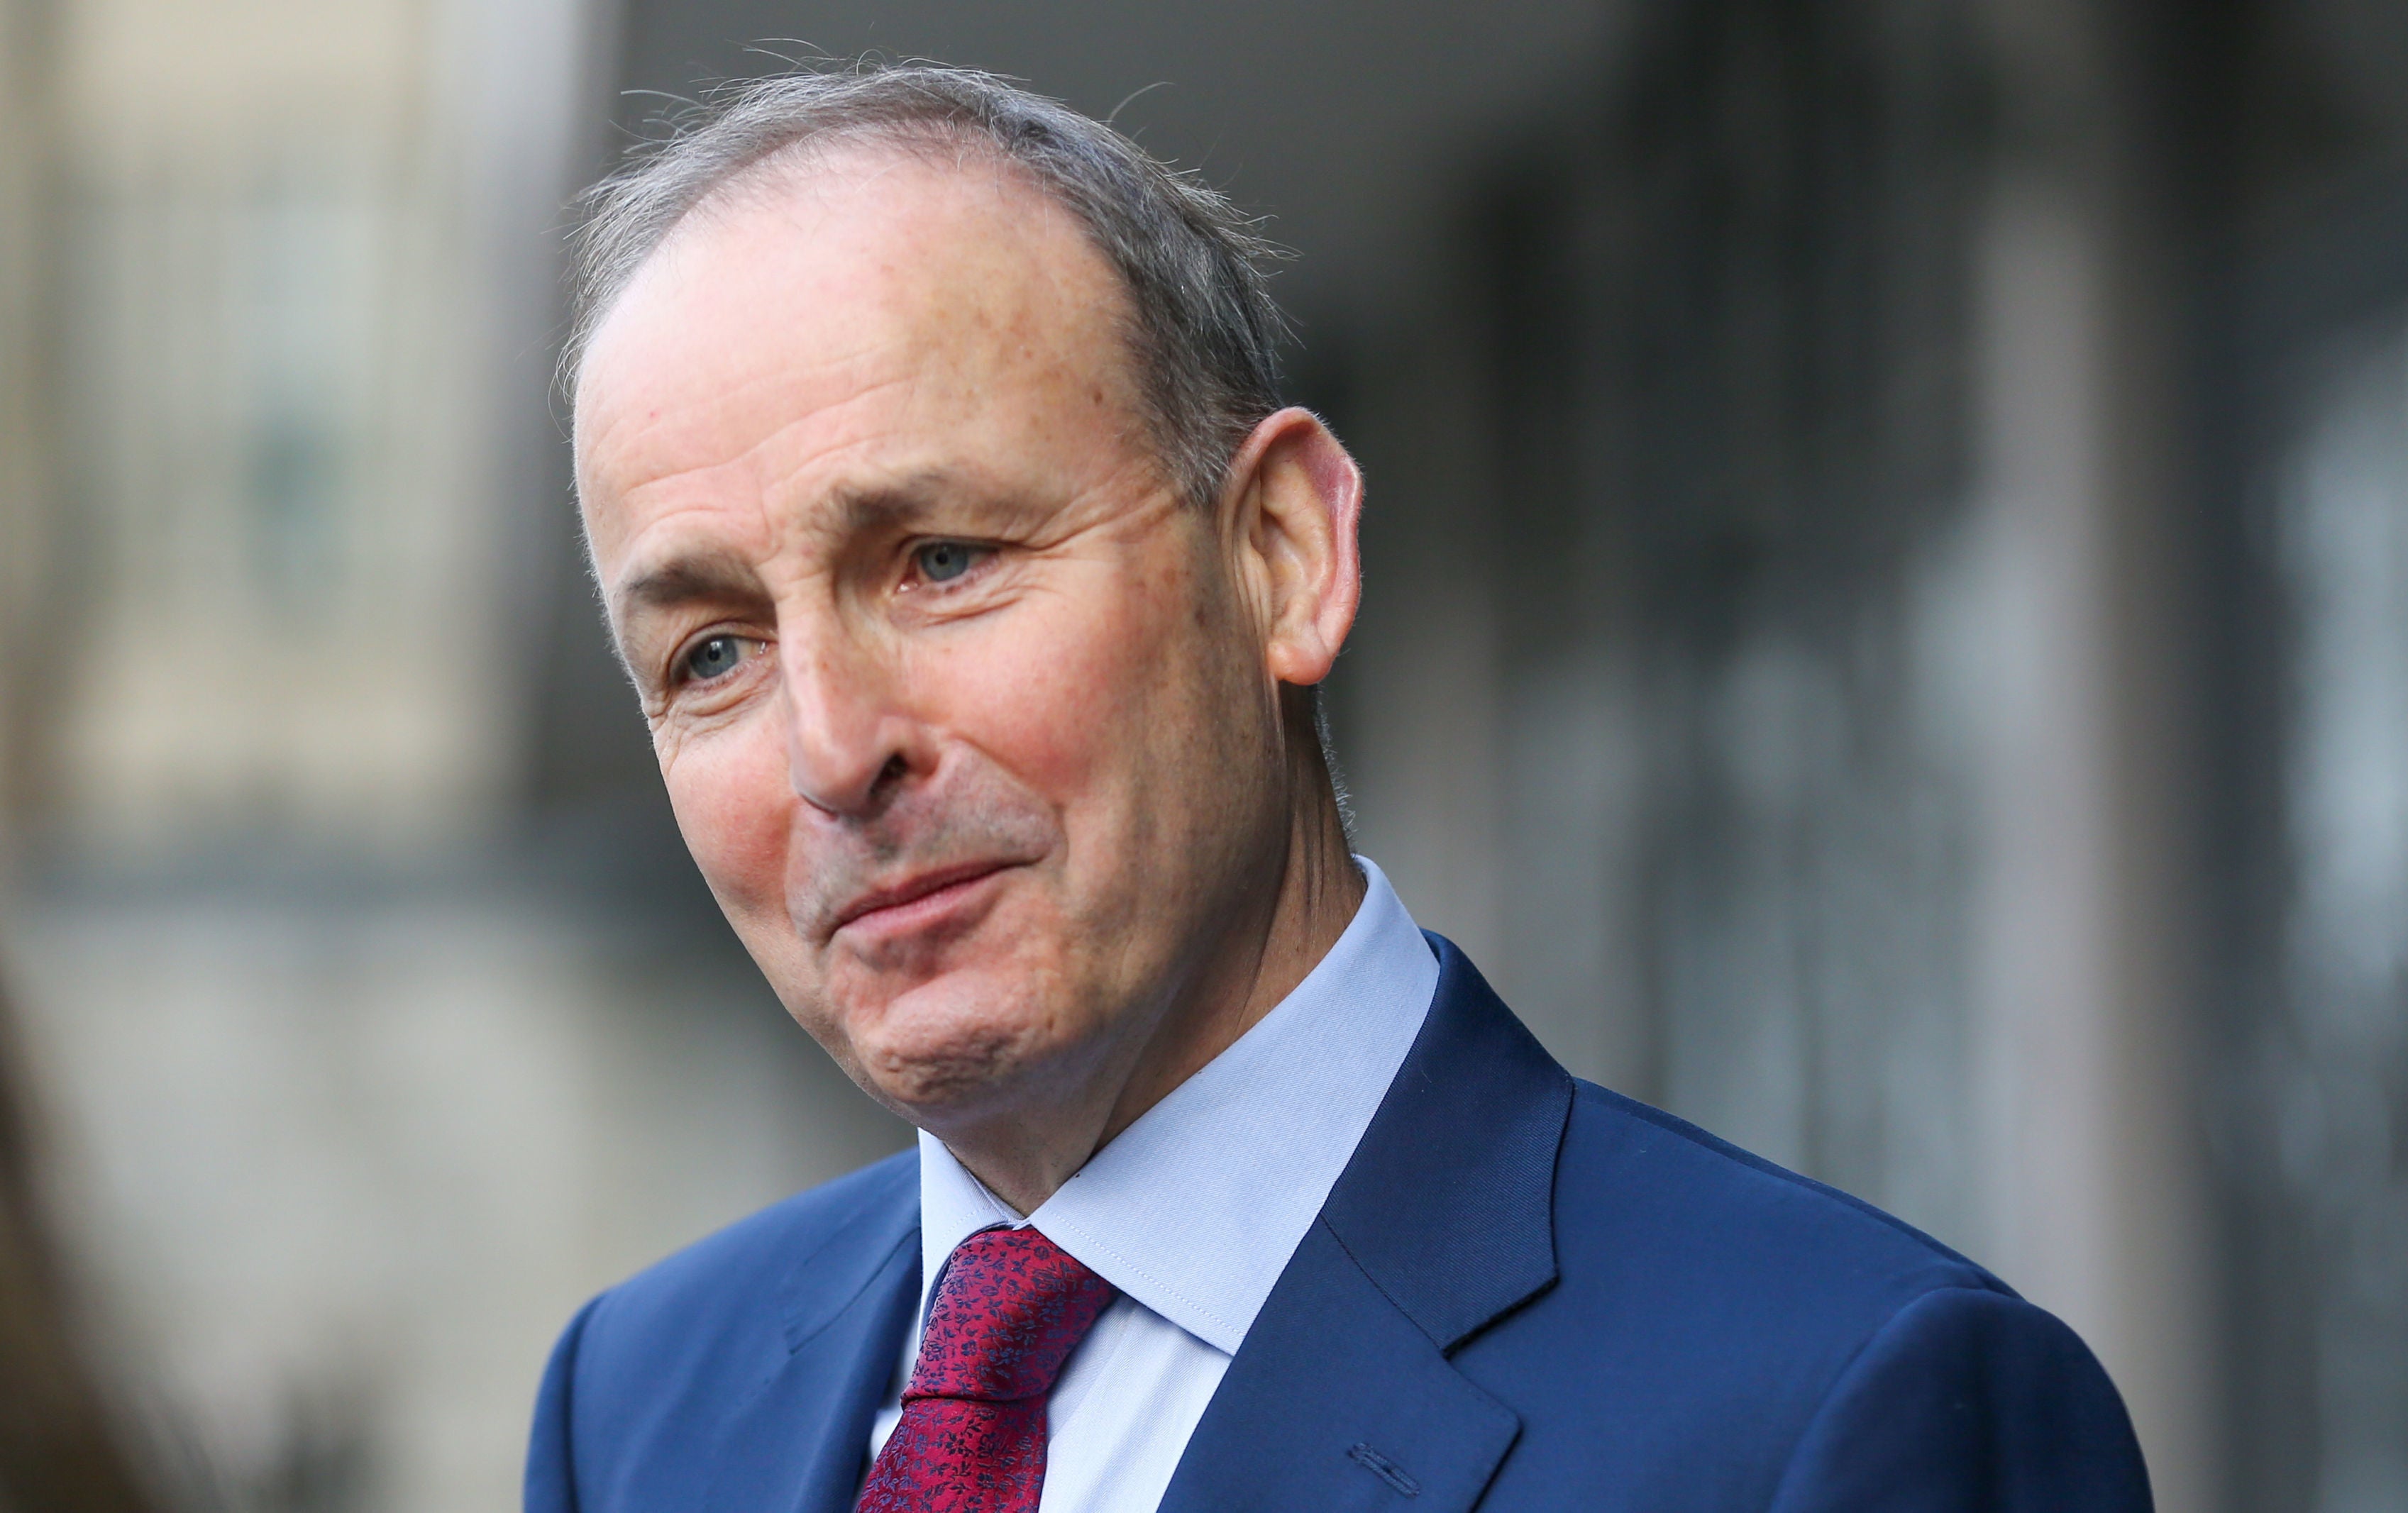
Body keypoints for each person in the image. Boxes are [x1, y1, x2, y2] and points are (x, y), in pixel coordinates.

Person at [526, 63, 2152, 1513]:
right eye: (711, 654)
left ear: (1283, 556)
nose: (830, 748)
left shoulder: (1834, 1416)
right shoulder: (639, 1406)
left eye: (942, 558)